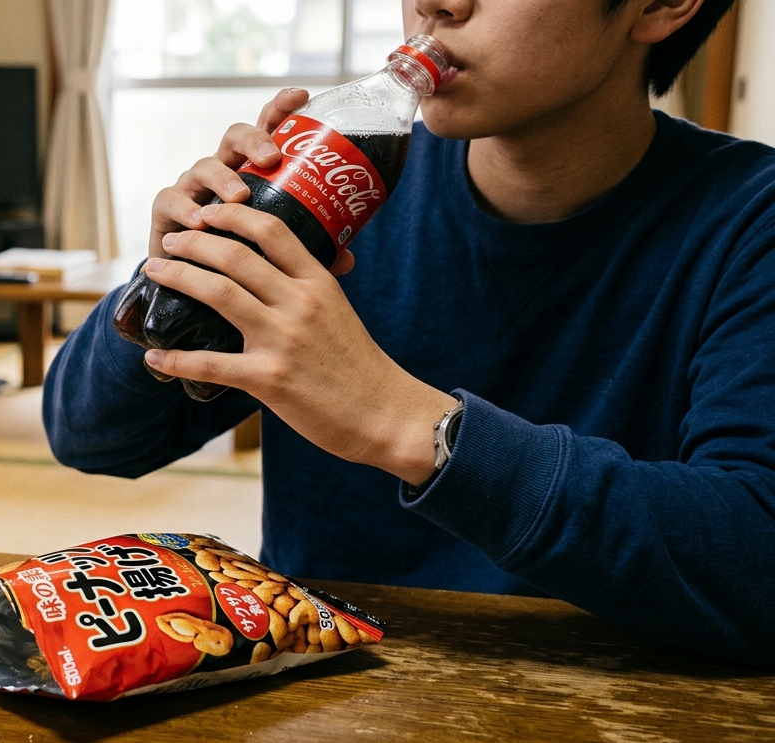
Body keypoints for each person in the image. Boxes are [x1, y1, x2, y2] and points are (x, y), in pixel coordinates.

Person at [42, 0, 775, 667]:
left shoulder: (749, 220)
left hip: (609, 704)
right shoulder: (344, 186)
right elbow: (91, 438)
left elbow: (755, 562)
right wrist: (172, 280)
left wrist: (403, 421)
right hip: (317, 683)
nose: (434, 3)